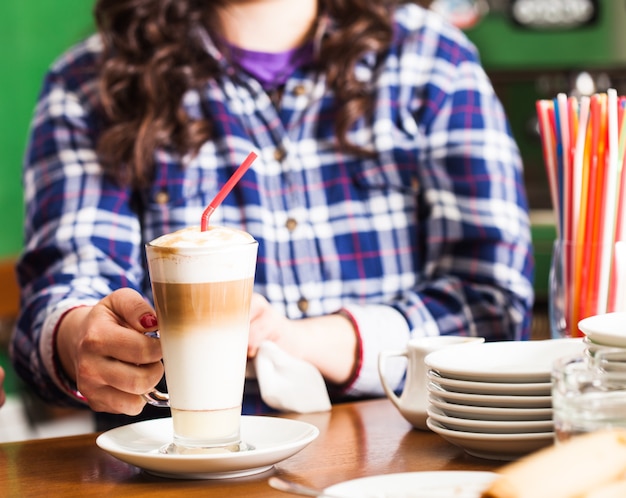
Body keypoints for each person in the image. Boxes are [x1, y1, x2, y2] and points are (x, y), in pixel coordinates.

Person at [11, 0, 534, 430]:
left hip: (401, 451)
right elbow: (62, 289)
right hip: (177, 466)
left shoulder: (433, 60)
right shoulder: (91, 82)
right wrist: (79, 336)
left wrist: (306, 340)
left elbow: (492, 302)